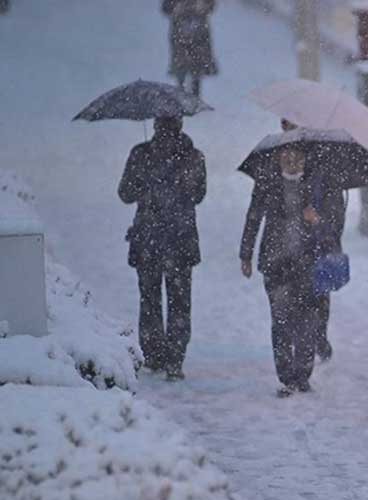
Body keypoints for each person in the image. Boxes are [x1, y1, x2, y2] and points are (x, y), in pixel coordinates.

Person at [239, 146, 337, 397]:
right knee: (281, 321)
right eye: (286, 157)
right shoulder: (267, 182)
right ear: (277, 158)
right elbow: (253, 217)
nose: (292, 162)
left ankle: (303, 375)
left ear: (306, 159)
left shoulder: (317, 185)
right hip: (276, 263)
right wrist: (246, 254)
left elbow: (334, 222)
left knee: (307, 321)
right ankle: (286, 376)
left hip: (308, 264)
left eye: (298, 156)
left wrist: (317, 219)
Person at [118, 116, 206, 381]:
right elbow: (199, 195)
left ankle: (154, 354)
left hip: (149, 239)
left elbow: (125, 194)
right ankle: (174, 359)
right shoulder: (194, 157)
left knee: (150, 300)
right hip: (179, 240)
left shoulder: (141, 154)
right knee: (178, 302)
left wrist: (144, 183)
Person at [279, 118, 346, 363]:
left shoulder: (322, 167)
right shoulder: (283, 159)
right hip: (302, 244)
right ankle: (311, 339)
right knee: (307, 297)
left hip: (318, 242)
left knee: (318, 294)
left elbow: (335, 209)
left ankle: (316, 337)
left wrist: (321, 223)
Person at [162, 0, 217, 97]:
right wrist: (177, 8)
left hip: (198, 32)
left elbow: (211, 5)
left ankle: (193, 96)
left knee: (196, 66)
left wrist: (202, 6)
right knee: (182, 66)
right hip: (181, 32)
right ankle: (182, 95)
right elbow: (166, 8)